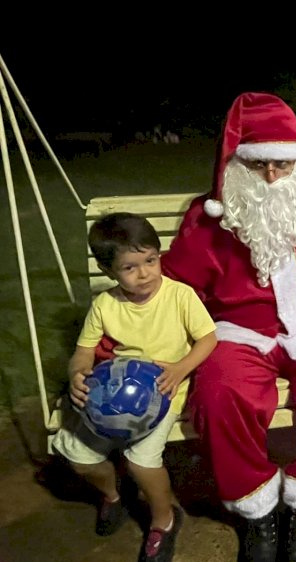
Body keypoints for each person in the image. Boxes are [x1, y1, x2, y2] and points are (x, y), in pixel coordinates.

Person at [159, 92, 296, 562]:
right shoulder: (210, 216)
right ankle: (256, 507)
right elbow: (176, 280)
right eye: (260, 165)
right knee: (219, 395)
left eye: (282, 163)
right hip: (240, 331)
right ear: (239, 165)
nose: (273, 176)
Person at [52, 212, 217, 562]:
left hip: (163, 391)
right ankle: (113, 494)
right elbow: (83, 352)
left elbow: (208, 338)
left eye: (151, 261)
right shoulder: (105, 305)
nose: (145, 273)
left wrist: (181, 368)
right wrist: (78, 373)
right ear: (109, 271)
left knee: (141, 460)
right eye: (130, 267)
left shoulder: (179, 296)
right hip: (112, 394)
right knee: (77, 456)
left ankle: (164, 519)